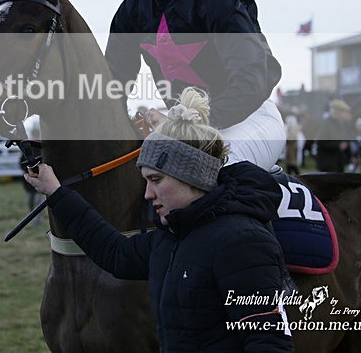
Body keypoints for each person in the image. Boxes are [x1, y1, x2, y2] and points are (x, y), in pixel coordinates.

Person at [25, 87, 293, 351]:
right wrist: (57, 193)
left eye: (156, 180)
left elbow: (269, 343)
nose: (148, 194)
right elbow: (113, 252)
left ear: (192, 176)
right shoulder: (170, 238)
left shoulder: (243, 243)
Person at [105, 0, 285, 172]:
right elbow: (113, 82)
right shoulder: (131, 10)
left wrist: (189, 124)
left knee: (204, 171)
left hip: (249, 119)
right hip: (180, 122)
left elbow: (252, 81)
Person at [314, 99, 353, 172]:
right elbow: (321, 142)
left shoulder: (341, 124)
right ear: (337, 111)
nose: (344, 114)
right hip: (328, 164)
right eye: (343, 111)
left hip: (338, 163)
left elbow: (345, 140)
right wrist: (338, 145)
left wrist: (350, 156)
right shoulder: (326, 124)